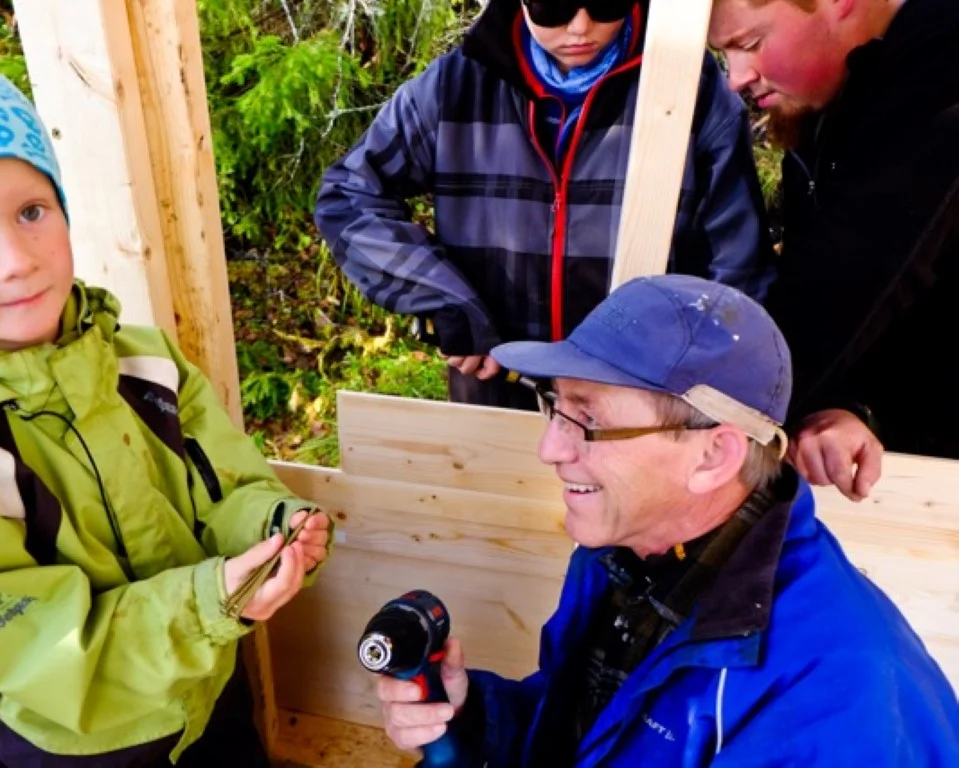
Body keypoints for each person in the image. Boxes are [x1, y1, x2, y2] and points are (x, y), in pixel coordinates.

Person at [0, 52, 332, 767]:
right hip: (76, 741)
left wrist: (273, 526)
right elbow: (37, 649)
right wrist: (207, 603)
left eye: (32, 211)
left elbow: (225, 486)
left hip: (204, 685)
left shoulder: (141, 361)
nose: (17, 259)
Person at [374, 274, 959, 765]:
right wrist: (473, 716)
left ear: (714, 455)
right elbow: (590, 731)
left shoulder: (837, 697)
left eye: (588, 419)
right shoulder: (626, 555)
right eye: (554, 405)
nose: (550, 448)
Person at [314, 0, 775, 411]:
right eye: (553, 6)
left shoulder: (691, 93)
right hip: (496, 390)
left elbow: (738, 269)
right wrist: (446, 301)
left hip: (642, 407)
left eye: (604, 3)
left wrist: (701, 380)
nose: (580, 26)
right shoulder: (453, 88)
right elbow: (348, 196)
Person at [709, 0, 959, 500]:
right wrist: (843, 403)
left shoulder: (941, 80)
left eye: (752, 43)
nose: (736, 77)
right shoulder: (844, 90)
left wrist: (706, 426)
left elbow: (854, 275)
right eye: (725, 53)